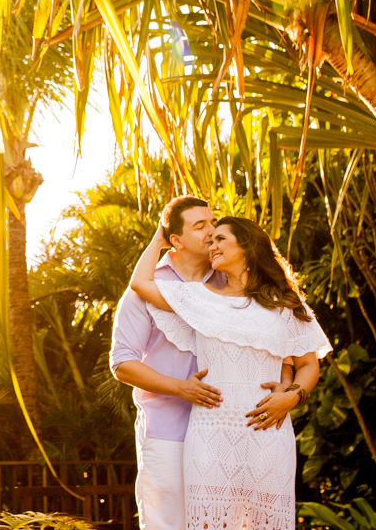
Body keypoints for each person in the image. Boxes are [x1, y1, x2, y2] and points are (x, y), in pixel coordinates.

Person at [128, 215, 331, 530]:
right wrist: (161, 236)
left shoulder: (284, 304)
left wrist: (291, 398)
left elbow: (308, 364)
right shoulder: (198, 298)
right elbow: (140, 283)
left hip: (268, 434)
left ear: (247, 245)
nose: (212, 244)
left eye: (220, 238)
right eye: (211, 239)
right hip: (209, 435)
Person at [110, 196, 233, 530]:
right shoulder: (145, 288)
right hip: (166, 432)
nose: (212, 230)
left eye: (213, 221)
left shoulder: (231, 282)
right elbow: (122, 363)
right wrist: (181, 389)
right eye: (200, 225)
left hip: (228, 430)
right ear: (174, 240)